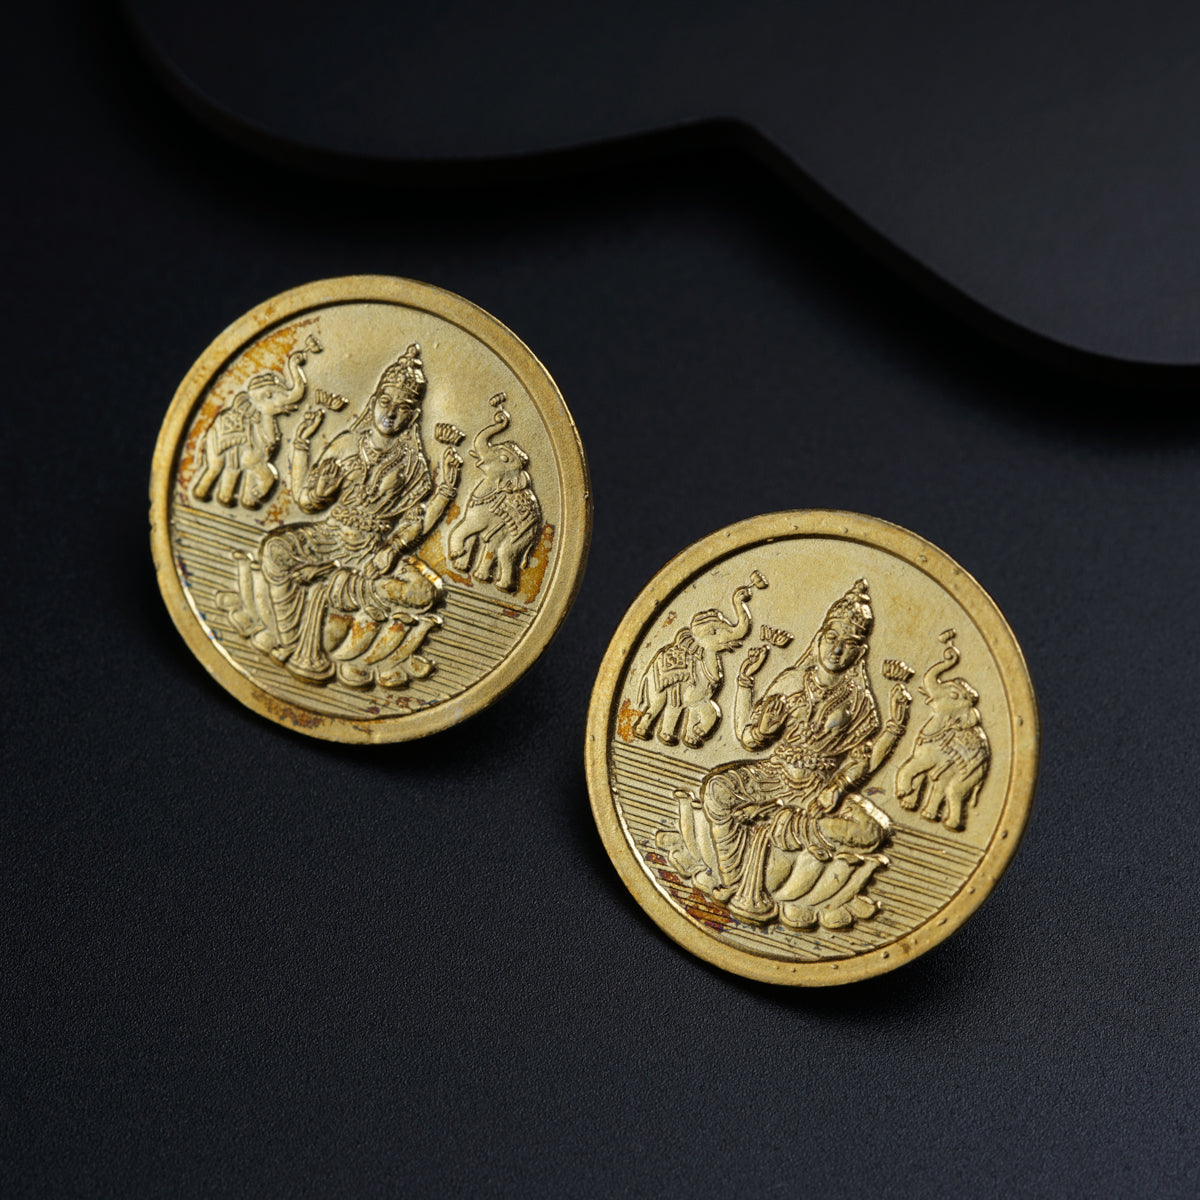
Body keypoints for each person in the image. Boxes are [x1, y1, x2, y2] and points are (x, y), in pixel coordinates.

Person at [663, 579, 911, 930]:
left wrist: (837, 787)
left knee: (873, 830)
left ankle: (788, 825)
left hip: (820, 788)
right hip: (775, 775)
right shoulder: (792, 680)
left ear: (859, 653)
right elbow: (748, 738)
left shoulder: (860, 701)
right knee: (717, 788)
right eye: (831, 639)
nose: (837, 650)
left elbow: (863, 758)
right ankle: (732, 879)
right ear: (819, 638)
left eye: (849, 644)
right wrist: (751, 697)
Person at [220, 344, 461, 687]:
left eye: (402, 408)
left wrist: (394, 547)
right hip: (329, 536)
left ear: (413, 416)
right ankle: (289, 637)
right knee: (275, 549)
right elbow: (305, 500)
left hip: (373, 551)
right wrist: (308, 462)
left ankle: (335, 589)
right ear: (374, 400)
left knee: (424, 591)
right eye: (385, 402)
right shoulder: (347, 443)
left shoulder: (413, 464)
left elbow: (415, 521)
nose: (391, 413)